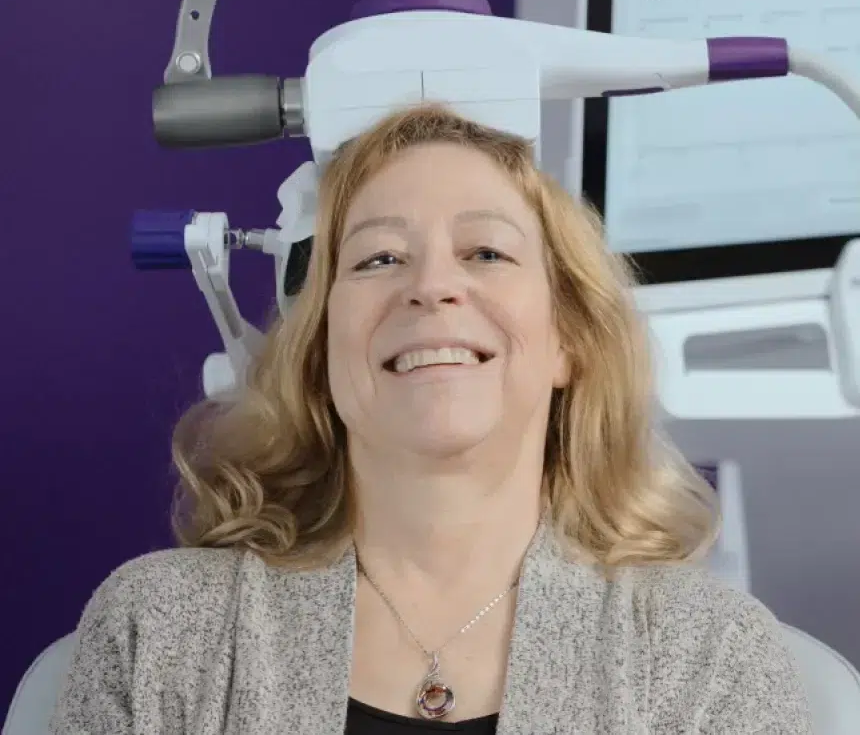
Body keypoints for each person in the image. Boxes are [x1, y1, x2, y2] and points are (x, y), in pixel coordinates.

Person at [51, 104, 814, 734]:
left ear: (568, 344)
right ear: (318, 352)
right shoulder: (158, 634)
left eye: (485, 252)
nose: (432, 286)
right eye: (379, 259)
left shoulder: (707, 654)